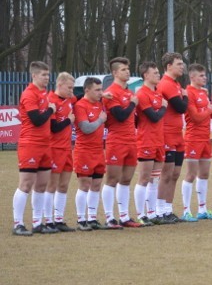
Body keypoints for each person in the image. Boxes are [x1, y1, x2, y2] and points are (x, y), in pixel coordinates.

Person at [12, 61, 57, 236]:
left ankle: (38, 222)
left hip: (46, 145)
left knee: (41, 185)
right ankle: (18, 224)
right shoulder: (29, 94)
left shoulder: (44, 94)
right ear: (34, 76)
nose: (47, 78)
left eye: (48, 75)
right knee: (25, 184)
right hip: (30, 144)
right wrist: (51, 110)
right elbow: (37, 119)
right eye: (43, 75)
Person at [102, 57, 141, 229]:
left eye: (128, 69)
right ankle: (110, 217)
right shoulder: (112, 92)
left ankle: (124, 216)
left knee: (126, 179)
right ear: (115, 72)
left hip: (131, 140)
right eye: (124, 69)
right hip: (116, 140)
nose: (127, 72)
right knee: (112, 179)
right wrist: (133, 104)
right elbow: (120, 115)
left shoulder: (129, 92)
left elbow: (133, 118)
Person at [133, 62, 167, 226]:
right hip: (146, 140)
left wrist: (161, 107)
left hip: (159, 140)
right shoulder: (142, 94)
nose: (158, 75)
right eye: (155, 72)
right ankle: (141, 214)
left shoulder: (158, 93)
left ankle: (152, 213)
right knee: (144, 178)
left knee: (155, 179)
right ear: (145, 75)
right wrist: (163, 108)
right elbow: (153, 117)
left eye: (158, 72)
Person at [73, 77, 110, 231]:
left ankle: (92, 218)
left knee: (96, 185)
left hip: (98, 150)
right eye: (97, 90)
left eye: (101, 89)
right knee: (85, 185)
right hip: (84, 151)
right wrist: (101, 120)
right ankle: (81, 219)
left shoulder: (100, 104)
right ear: (87, 90)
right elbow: (86, 128)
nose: (100, 93)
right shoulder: (80, 105)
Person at [156, 52, 188, 223]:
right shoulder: (166, 84)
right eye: (179, 64)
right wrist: (187, 95)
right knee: (166, 173)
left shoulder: (176, 84)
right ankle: (160, 211)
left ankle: (168, 209)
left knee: (175, 173)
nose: (182, 66)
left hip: (177, 134)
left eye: (182, 63)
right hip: (167, 133)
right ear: (169, 66)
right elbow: (181, 107)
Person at [181, 63, 212, 221]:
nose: (205, 78)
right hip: (193, 138)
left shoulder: (203, 92)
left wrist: (208, 109)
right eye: (201, 75)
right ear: (192, 77)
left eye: (205, 75)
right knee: (191, 174)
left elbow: (206, 115)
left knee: (204, 174)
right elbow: (196, 117)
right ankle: (186, 210)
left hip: (205, 138)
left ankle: (202, 208)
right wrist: (208, 109)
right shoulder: (189, 93)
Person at [46, 72, 77, 232]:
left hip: (67, 149)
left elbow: (82, 97)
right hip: (54, 149)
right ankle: (48, 220)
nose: (72, 91)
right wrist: (68, 121)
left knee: (64, 185)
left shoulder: (69, 99)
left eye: (73, 88)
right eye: (69, 87)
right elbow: (53, 127)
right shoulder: (50, 100)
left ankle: (59, 219)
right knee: (51, 185)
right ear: (59, 85)